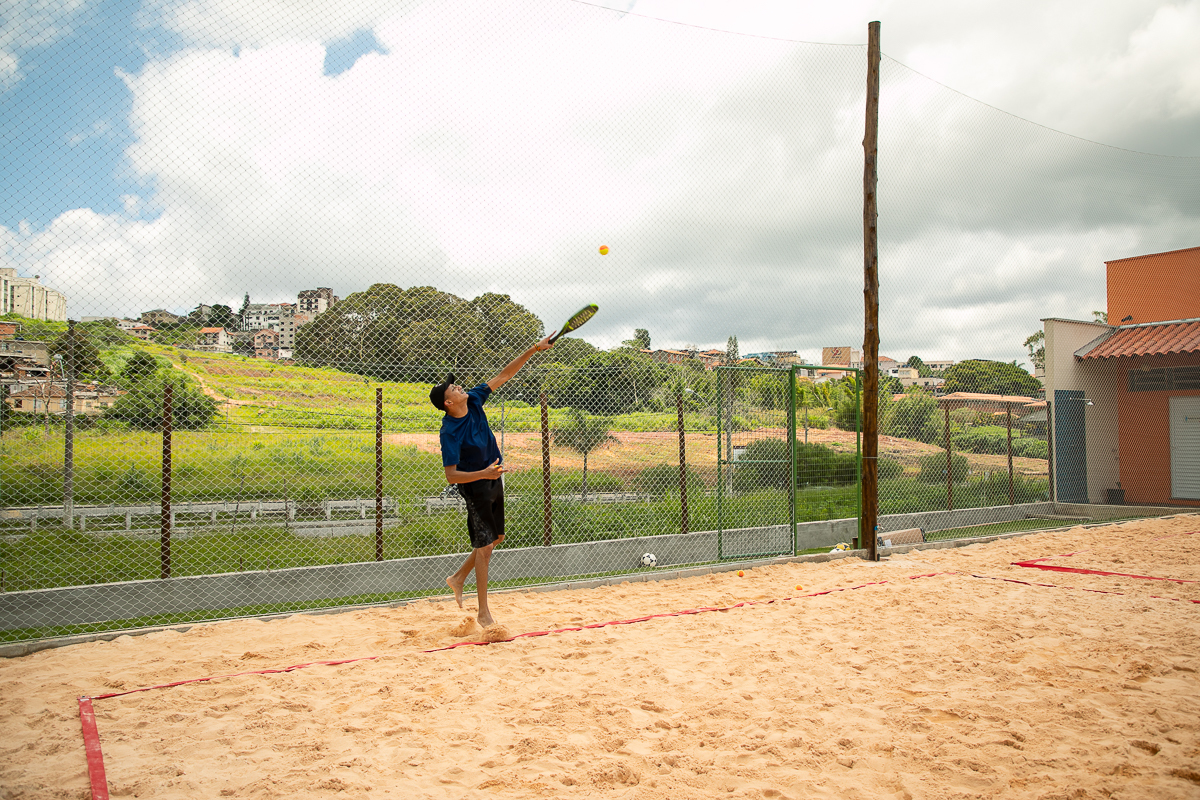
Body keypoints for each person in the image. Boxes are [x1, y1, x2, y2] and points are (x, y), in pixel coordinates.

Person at [430, 333, 554, 627]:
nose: (460, 386)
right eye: (454, 387)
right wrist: (483, 474)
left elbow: (505, 374)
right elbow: (450, 475)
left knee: (495, 538)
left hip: (493, 477)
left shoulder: (473, 400)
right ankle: (483, 613)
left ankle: (458, 578)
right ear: (448, 402)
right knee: (485, 546)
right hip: (474, 486)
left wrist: (534, 349)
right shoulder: (449, 431)